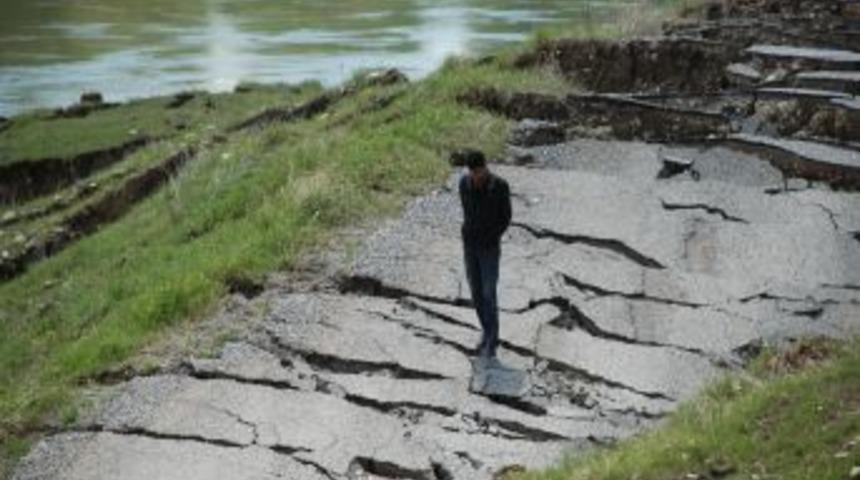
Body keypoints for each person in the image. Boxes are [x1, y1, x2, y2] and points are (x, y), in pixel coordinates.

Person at [457, 149, 512, 358]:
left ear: (485, 167)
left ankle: (492, 338)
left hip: (489, 248)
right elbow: (467, 212)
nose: (476, 176)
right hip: (470, 246)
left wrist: (492, 236)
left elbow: (505, 217)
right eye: (473, 173)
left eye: (479, 171)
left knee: (489, 292)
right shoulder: (464, 183)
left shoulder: (499, 186)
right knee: (476, 292)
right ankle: (486, 331)